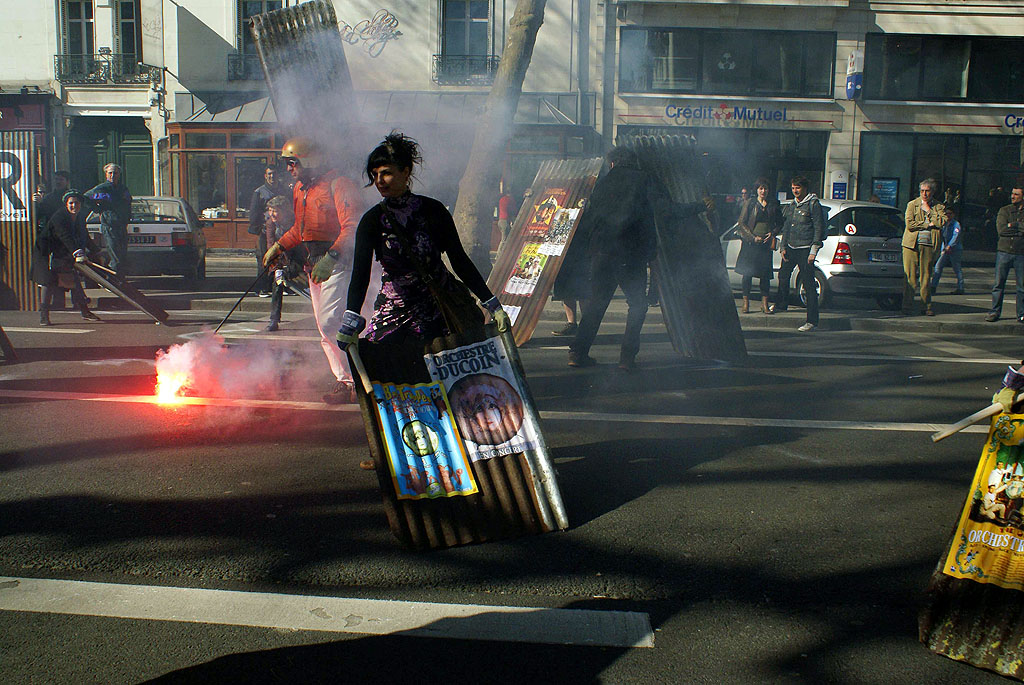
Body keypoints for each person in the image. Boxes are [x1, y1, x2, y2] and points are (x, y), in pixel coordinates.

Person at [339, 132, 506, 350]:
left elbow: (459, 260)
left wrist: (492, 305)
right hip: (394, 312)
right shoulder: (372, 221)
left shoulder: (432, 210)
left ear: (405, 172)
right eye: (375, 174)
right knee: (383, 370)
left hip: (439, 309)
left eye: (387, 173)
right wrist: (350, 320)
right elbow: (360, 273)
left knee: (444, 377)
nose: (379, 181)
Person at [568, 146, 711, 369]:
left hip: (602, 253)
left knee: (597, 303)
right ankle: (626, 358)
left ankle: (578, 352)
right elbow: (667, 211)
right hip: (630, 254)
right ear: (633, 162)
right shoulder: (645, 179)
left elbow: (589, 219)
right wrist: (701, 206)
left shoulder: (602, 183)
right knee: (637, 304)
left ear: (612, 163)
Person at [262, 137, 363, 404]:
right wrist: (280, 246)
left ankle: (356, 380)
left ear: (308, 161)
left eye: (292, 162)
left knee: (332, 322)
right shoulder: (300, 189)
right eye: (287, 163)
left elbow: (352, 226)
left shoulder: (339, 184)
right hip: (316, 265)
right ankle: (347, 381)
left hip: (339, 264)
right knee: (325, 326)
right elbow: (300, 228)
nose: (289, 169)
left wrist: (331, 258)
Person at [31, 190, 100, 326]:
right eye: (71, 203)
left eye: (77, 203)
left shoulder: (79, 217)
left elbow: (83, 235)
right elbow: (64, 235)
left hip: (63, 251)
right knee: (48, 282)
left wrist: (96, 251)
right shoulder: (59, 217)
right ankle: (43, 315)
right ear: (66, 204)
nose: (74, 206)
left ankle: (85, 311)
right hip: (48, 252)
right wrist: (77, 252)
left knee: (73, 279)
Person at [771, 176, 824, 332]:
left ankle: (812, 321)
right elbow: (787, 226)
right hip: (791, 246)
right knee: (783, 274)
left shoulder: (813, 204)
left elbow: (818, 228)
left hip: (806, 248)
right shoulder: (793, 204)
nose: (795, 190)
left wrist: (814, 250)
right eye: (793, 188)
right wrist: (783, 246)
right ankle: (782, 304)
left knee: (808, 284)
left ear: (805, 188)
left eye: (798, 188)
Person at [734, 177, 780, 315]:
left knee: (765, 275)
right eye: (761, 188)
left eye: (765, 188)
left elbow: (779, 223)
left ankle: (764, 304)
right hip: (750, 243)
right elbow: (742, 223)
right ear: (757, 190)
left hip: (765, 244)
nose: (763, 191)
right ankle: (746, 303)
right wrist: (753, 237)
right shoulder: (750, 203)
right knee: (747, 274)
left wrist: (772, 233)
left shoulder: (774, 204)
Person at [902, 178, 946, 317]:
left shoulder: (939, 207)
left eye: (927, 191)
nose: (924, 194)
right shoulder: (912, 204)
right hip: (911, 245)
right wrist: (928, 224)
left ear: (932, 191)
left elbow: (941, 221)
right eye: (922, 191)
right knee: (910, 277)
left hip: (929, 245)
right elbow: (910, 224)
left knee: (926, 277)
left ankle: (926, 306)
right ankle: (907, 306)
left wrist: (929, 211)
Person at [262, 195, 302, 332]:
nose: (272, 214)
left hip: (299, 259)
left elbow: (297, 246)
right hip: (281, 259)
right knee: (277, 282)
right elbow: (271, 244)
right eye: (270, 210)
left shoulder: (294, 223)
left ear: (284, 211)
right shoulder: (270, 223)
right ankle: (274, 319)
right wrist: (276, 265)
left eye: (276, 210)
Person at [985, 186, 1024, 323]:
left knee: (1022, 286)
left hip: (1021, 253)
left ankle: (1021, 314)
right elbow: (1001, 230)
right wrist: (1018, 227)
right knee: (998, 284)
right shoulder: (1004, 210)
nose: (1013, 196)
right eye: (1012, 193)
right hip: (1004, 252)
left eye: (1016, 194)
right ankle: (995, 311)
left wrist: (1012, 226)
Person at [85, 163, 132, 275]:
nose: (112, 175)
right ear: (106, 174)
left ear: (119, 174)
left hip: (122, 225)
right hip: (110, 225)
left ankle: (121, 278)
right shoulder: (102, 188)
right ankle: (114, 279)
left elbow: (128, 202)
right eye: (110, 173)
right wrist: (97, 209)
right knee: (115, 255)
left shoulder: (122, 188)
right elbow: (85, 198)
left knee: (122, 254)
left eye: (115, 173)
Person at [249, 166, 285, 298]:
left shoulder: (283, 189)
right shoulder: (259, 192)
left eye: (274, 174)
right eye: (269, 174)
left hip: (281, 229)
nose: (272, 177)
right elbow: (254, 212)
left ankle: (281, 285)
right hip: (265, 230)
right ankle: (262, 287)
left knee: (282, 257)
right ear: (265, 176)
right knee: (264, 258)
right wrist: (258, 229)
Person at [931, 205, 965, 295]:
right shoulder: (944, 224)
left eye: (950, 214)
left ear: (953, 214)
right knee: (938, 267)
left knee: (957, 268)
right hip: (945, 249)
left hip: (955, 249)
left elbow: (956, 236)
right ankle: (933, 287)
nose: (948, 215)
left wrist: (950, 246)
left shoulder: (956, 224)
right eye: (946, 214)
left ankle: (961, 288)